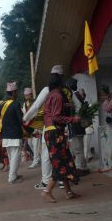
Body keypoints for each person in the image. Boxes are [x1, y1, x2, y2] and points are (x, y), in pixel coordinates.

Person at [41, 73, 80, 203]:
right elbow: (56, 117)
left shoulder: (50, 95)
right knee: (60, 163)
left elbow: (51, 112)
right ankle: (47, 191)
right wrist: (72, 119)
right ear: (60, 84)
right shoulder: (57, 95)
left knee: (63, 159)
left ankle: (68, 191)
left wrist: (65, 106)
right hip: (55, 132)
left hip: (49, 131)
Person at [23, 65, 63, 190]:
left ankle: (46, 181)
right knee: (63, 153)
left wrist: (25, 118)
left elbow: (36, 107)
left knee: (46, 153)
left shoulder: (47, 90)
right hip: (64, 126)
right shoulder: (66, 90)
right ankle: (63, 181)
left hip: (50, 126)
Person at [0, 82, 24, 184]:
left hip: (5, 135)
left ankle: (14, 175)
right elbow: (21, 120)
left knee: (11, 156)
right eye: (16, 92)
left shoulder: (2, 104)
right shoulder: (16, 104)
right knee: (16, 157)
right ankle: (12, 178)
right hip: (15, 135)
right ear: (13, 93)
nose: (17, 94)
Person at [66, 78, 90, 176]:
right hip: (79, 125)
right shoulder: (79, 95)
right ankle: (82, 167)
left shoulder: (74, 96)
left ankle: (82, 168)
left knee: (78, 148)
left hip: (76, 125)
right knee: (78, 147)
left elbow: (75, 110)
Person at [22, 87, 41, 169]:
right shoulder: (24, 104)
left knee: (35, 144)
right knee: (30, 143)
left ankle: (36, 161)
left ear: (31, 94)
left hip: (36, 125)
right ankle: (38, 158)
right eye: (25, 95)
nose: (26, 96)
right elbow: (24, 114)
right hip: (28, 126)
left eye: (27, 95)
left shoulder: (36, 102)